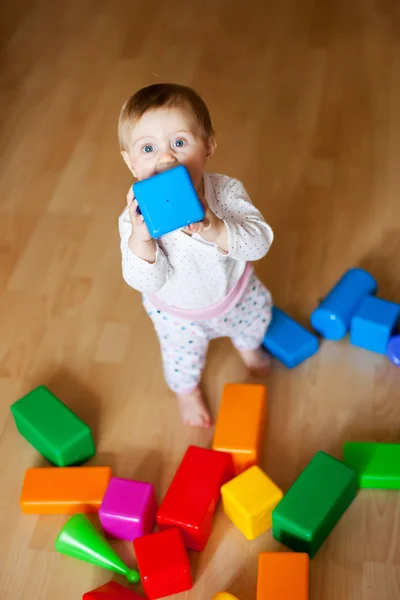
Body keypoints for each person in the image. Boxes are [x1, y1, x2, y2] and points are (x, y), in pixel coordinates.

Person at [118, 83, 273, 428]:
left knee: (256, 321)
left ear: (208, 147)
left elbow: (260, 243)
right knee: (180, 360)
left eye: (179, 142)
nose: (166, 157)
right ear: (131, 163)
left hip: (235, 293)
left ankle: (247, 347)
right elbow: (142, 280)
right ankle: (186, 393)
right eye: (148, 148)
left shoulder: (227, 192)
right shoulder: (134, 220)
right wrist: (142, 240)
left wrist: (215, 227)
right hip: (177, 314)